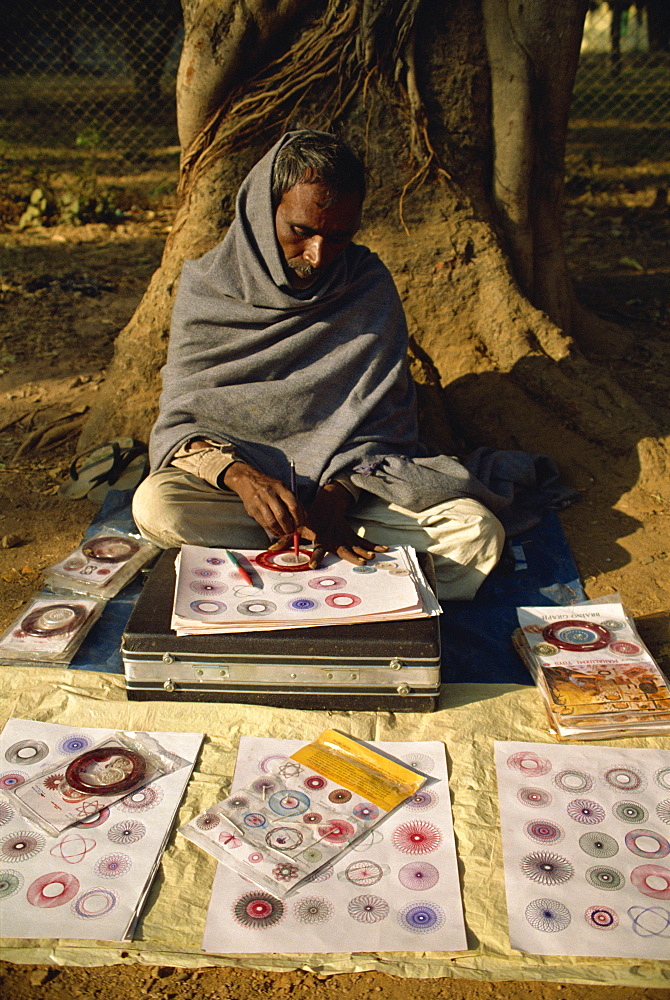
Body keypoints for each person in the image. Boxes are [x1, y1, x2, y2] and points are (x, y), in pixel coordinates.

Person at [133, 130, 506, 600]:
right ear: (261, 212)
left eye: (338, 237)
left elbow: (386, 423)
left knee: (476, 533)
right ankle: (356, 578)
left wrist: (339, 495)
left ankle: (297, 570)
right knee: (157, 506)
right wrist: (241, 478)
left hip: (352, 500)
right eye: (301, 231)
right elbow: (184, 420)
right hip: (246, 503)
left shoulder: (366, 284)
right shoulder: (208, 288)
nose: (317, 256)